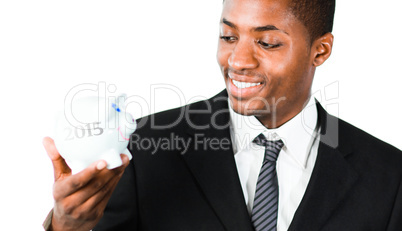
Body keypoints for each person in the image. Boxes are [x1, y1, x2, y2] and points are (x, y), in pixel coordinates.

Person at [43, 0, 402, 230]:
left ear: (320, 50)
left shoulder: (389, 177)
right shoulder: (146, 146)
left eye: (267, 42)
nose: (238, 61)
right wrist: (66, 227)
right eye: (228, 37)